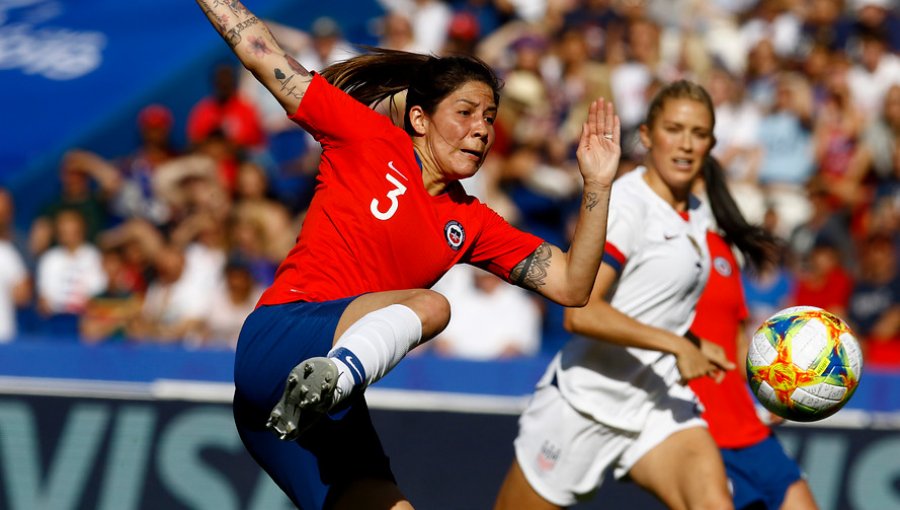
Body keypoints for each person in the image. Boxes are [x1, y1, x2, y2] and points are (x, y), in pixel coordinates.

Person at [195, 2, 622, 509]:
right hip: (280, 340)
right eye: (465, 113)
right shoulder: (366, 136)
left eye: (489, 118)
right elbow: (260, 52)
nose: (482, 129)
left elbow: (575, 287)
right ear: (419, 118)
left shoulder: (473, 222)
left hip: (315, 409)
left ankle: (332, 383)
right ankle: (333, 379)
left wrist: (597, 184)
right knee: (433, 306)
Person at [494, 80, 776, 510]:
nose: (685, 144)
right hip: (583, 405)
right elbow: (580, 312)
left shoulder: (699, 213)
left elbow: (655, 308)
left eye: (698, 134)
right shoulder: (627, 204)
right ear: (646, 136)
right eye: (674, 129)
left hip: (657, 405)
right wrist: (677, 344)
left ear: (712, 143)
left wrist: (698, 345)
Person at [688, 229, 818, 510]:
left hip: (750, 429)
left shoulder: (722, 248)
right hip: (697, 430)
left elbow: (737, 344)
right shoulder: (650, 232)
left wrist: (774, 387)